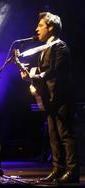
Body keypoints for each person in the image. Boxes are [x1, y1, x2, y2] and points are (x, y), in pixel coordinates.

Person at [20, 12, 79, 183]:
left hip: (62, 98)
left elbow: (55, 72)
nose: (36, 29)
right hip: (51, 98)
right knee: (53, 136)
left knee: (65, 135)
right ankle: (57, 169)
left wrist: (35, 77)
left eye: (40, 25)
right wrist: (29, 73)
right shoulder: (45, 48)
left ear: (51, 27)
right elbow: (44, 72)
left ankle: (72, 171)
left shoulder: (59, 46)